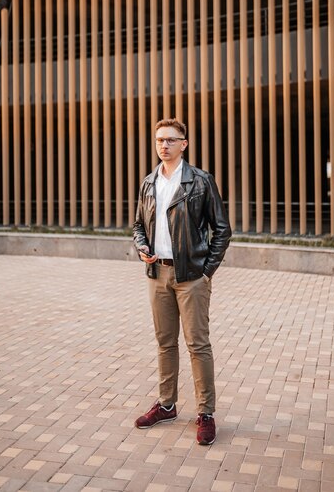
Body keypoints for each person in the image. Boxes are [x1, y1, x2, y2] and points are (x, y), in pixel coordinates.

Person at [133, 118, 232, 445]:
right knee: (165, 343)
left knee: (197, 344)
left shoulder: (201, 181)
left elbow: (222, 230)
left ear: (184, 144)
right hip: (156, 273)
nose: (164, 145)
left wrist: (206, 272)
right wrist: (141, 246)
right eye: (160, 140)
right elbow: (138, 225)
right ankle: (167, 404)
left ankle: (205, 413)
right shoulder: (149, 183)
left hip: (191, 277)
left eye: (171, 140)